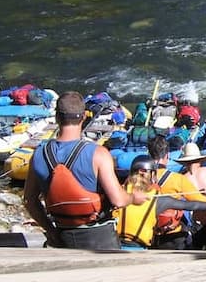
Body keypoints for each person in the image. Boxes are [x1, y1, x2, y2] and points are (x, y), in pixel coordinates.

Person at [24, 91, 148, 250]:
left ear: (56, 118)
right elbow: (118, 200)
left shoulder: (39, 153)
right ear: (84, 117)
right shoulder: (99, 154)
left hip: (62, 235)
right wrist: (133, 198)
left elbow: (29, 200)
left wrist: (51, 231)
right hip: (99, 237)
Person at [114, 154, 206, 250]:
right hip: (139, 248)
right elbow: (192, 205)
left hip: (115, 246)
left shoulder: (118, 193)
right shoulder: (158, 199)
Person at [147, 136, 206, 249]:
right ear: (167, 155)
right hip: (173, 235)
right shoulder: (177, 179)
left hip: (149, 235)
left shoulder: (139, 178)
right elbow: (198, 201)